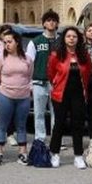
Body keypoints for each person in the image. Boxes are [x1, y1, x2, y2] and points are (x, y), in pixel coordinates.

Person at [47, 26, 92, 169]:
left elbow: (88, 72)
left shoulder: (84, 55)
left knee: (77, 125)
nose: (71, 39)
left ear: (78, 39)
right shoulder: (56, 55)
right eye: (68, 36)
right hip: (61, 94)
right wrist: (56, 83)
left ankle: (78, 156)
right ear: (64, 39)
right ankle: (54, 153)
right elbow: (51, 73)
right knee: (59, 124)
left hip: (78, 94)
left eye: (74, 36)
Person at [0, 29, 33, 165]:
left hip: (23, 96)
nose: (7, 45)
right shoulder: (0, 59)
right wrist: (2, 88)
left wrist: (27, 88)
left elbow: (29, 75)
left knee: (21, 125)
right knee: (2, 124)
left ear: (17, 42)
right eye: (4, 42)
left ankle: (23, 153)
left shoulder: (27, 59)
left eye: (9, 42)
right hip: (5, 95)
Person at [26, 10, 59, 142]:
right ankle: (40, 138)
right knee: (39, 113)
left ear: (57, 23)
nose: (51, 22)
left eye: (54, 20)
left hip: (57, 84)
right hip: (39, 82)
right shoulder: (35, 42)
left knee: (57, 114)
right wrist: (29, 82)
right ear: (44, 24)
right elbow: (29, 63)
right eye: (48, 20)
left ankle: (56, 139)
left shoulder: (62, 41)